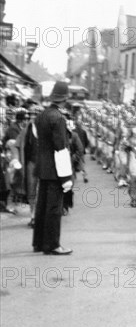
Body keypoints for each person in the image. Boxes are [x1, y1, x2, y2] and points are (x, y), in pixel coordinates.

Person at [32, 82, 74, 255]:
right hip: (56, 169)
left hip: (42, 167)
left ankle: (39, 243)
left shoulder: (41, 115)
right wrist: (66, 177)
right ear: (64, 99)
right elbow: (61, 149)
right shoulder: (58, 118)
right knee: (54, 209)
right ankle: (52, 244)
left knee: (41, 206)